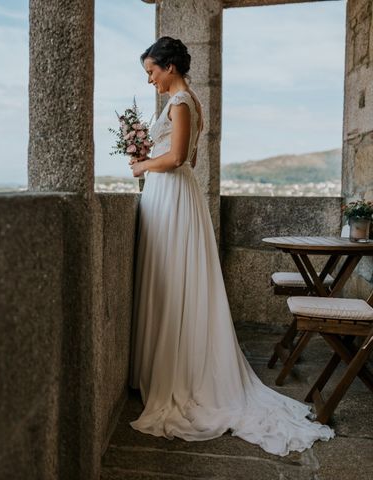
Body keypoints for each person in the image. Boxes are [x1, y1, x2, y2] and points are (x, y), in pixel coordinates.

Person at [127, 36, 334, 456]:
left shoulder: (182, 101)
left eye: (151, 71)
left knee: (174, 280)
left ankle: (179, 376)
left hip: (173, 196)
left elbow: (181, 157)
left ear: (169, 67)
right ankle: (165, 369)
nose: (150, 80)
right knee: (171, 280)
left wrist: (142, 164)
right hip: (172, 197)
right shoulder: (189, 101)